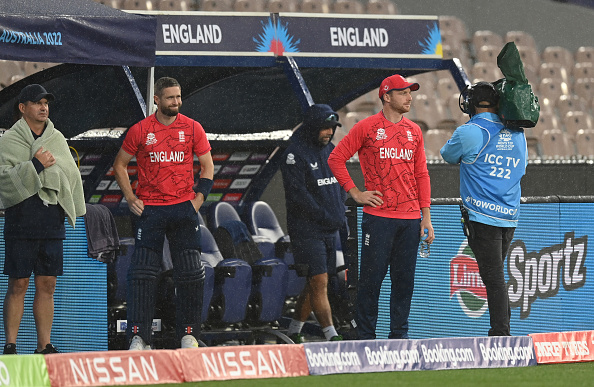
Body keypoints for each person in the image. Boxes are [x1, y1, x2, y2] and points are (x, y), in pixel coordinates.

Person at [327, 74, 434, 340]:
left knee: (404, 283)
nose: (410, 97)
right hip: (379, 218)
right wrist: (355, 193)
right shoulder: (367, 127)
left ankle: (399, 337)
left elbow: (422, 173)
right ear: (386, 96)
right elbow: (336, 158)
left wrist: (426, 217)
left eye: (410, 92)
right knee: (371, 283)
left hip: (410, 219)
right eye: (403, 93)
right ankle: (366, 338)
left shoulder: (415, 130)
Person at [113, 77, 214, 350]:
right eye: (170, 98)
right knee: (143, 274)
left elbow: (207, 166)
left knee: (192, 272)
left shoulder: (193, 128)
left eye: (179, 97)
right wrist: (130, 197)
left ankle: (189, 335)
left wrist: (197, 200)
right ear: (156, 99)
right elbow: (119, 164)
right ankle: (140, 337)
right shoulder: (141, 130)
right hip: (151, 209)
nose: (176, 102)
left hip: (183, 208)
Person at [0, 84, 86, 354]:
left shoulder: (57, 138)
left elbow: (69, 175)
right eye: (37, 103)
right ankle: (11, 345)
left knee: (47, 284)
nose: (43, 107)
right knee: (19, 283)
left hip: (51, 218)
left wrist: (50, 172)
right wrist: (36, 164)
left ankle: (44, 345)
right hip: (21, 219)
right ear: (22, 108)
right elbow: (3, 180)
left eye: (46, 102)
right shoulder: (9, 140)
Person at [440, 81, 527, 336]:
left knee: (493, 278)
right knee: (495, 277)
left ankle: (501, 332)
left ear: (470, 104)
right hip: (509, 216)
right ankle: (502, 329)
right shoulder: (518, 133)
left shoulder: (470, 131)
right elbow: (520, 169)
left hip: (482, 217)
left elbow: (447, 154)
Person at [280, 104, 347, 343]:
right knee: (320, 282)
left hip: (330, 228)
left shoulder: (332, 150)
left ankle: (293, 331)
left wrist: (340, 214)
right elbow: (299, 197)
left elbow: (341, 184)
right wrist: (327, 216)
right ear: (311, 127)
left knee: (315, 282)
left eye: (332, 128)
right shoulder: (293, 154)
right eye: (324, 128)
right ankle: (331, 335)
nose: (329, 132)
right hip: (307, 231)